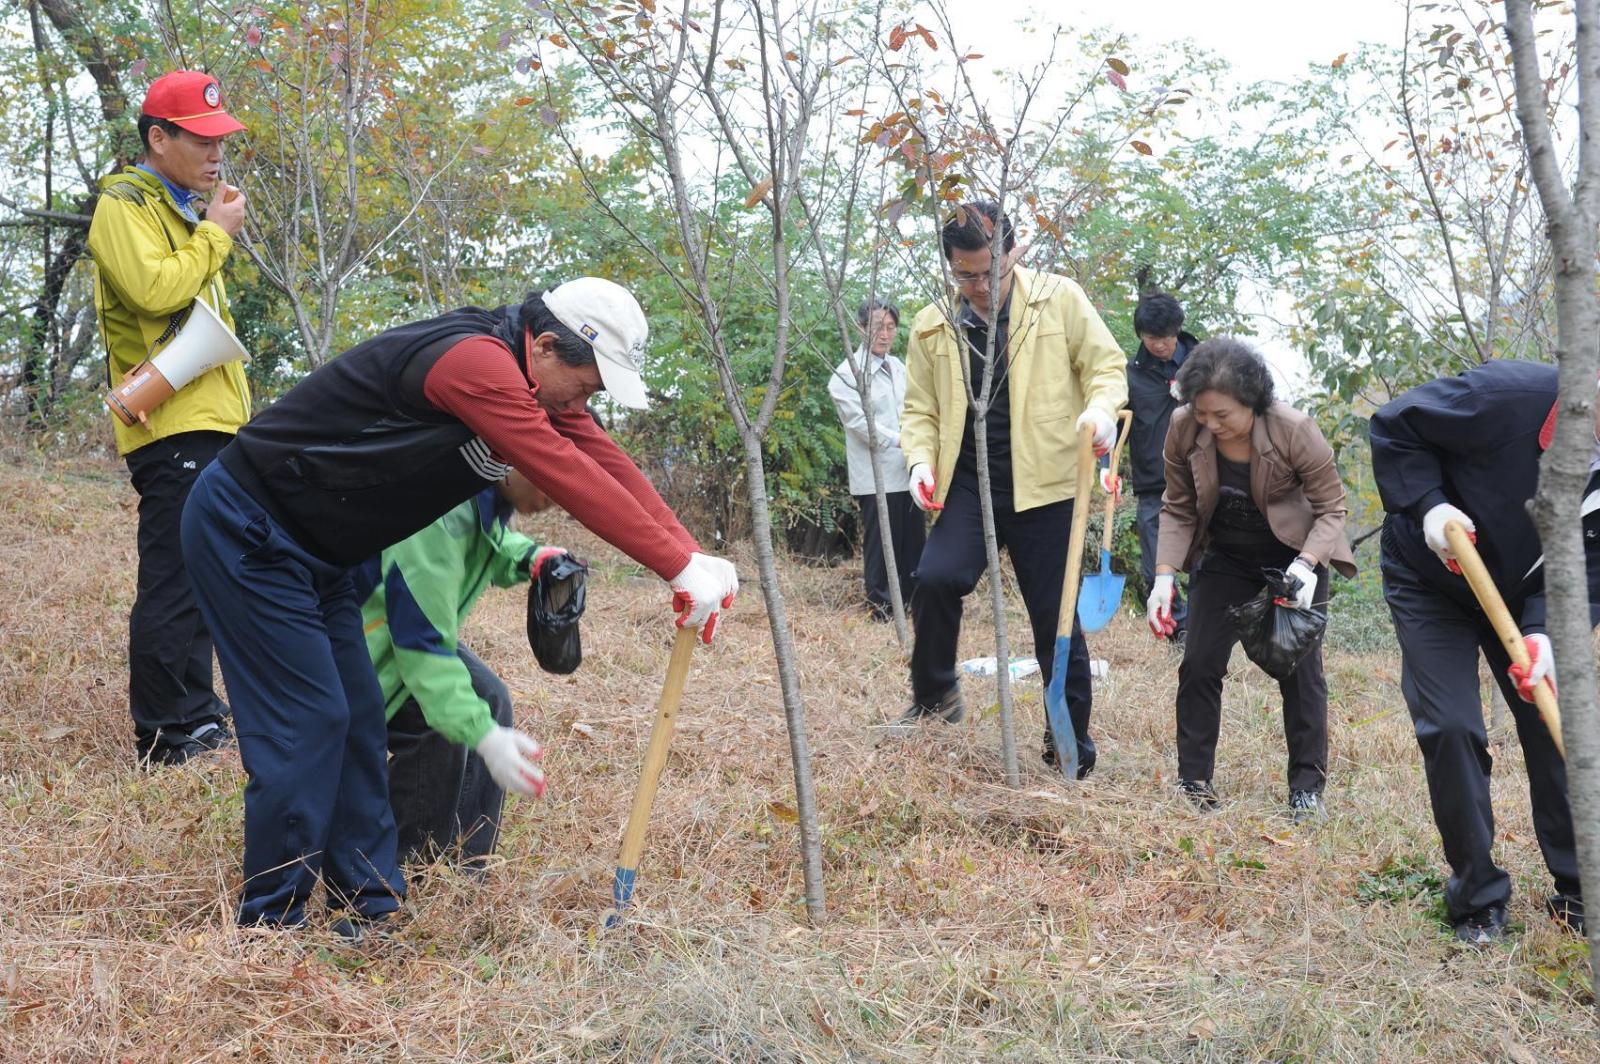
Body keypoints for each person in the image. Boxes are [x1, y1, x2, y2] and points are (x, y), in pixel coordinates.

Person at [179, 278, 739, 935]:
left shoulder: (534, 373)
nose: (583, 405)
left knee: (359, 717)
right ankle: (271, 924)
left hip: (324, 552)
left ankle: (368, 905)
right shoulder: (474, 364)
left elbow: (598, 455)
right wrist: (672, 564)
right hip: (249, 527)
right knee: (310, 723)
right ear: (545, 346)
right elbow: (560, 468)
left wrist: (688, 553)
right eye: (585, 388)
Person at [895, 201, 1127, 776]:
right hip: (969, 486)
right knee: (936, 578)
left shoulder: (1058, 298)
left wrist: (1100, 412)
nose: (978, 286)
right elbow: (919, 409)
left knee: (1056, 617)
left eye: (989, 272)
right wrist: (919, 462)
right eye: (965, 275)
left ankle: (1069, 747)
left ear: (1011, 254)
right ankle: (935, 698)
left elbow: (1105, 367)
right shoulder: (933, 324)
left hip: (1048, 486)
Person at [1370, 359, 1595, 944]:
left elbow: (1590, 568)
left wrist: (1544, 634)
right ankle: (1477, 899)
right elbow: (1395, 426)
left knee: (1554, 723)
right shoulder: (1508, 395)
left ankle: (1580, 891)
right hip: (1432, 576)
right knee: (1450, 726)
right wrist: (1430, 505)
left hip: (1526, 597)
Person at [87, 70, 250, 767]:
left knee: (202, 574)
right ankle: (165, 733)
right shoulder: (122, 205)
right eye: (202, 140)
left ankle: (197, 712)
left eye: (221, 140)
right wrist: (215, 235)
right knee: (173, 577)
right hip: (169, 424)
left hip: (208, 419)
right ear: (158, 138)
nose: (217, 153)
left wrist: (205, 227)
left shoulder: (181, 209)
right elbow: (155, 293)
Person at [1149, 337, 1355, 821]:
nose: (1211, 424)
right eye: (1202, 413)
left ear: (1252, 401)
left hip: (1294, 558)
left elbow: (1332, 509)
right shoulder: (1183, 428)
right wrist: (1163, 578)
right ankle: (1193, 781)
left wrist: (1306, 565)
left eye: (1222, 414)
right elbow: (1177, 506)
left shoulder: (1294, 429)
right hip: (1225, 554)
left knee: (1300, 673)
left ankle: (1306, 790)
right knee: (1199, 662)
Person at [359, 471, 565, 871]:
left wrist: (532, 557)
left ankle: (466, 865)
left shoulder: (482, 494)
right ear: (513, 457)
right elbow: (423, 649)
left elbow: (490, 543)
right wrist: (483, 735)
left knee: (490, 696)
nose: (555, 496)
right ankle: (407, 864)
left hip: (407, 629)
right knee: (435, 724)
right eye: (549, 475)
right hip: (366, 638)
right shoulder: (442, 511)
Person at [827, 298, 924, 621]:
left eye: (891, 327)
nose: (885, 334)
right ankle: (881, 609)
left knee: (913, 542)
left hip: (908, 469)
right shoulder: (846, 375)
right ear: (861, 328)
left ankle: (912, 604)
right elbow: (860, 424)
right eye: (878, 327)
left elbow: (915, 409)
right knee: (882, 546)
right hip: (876, 475)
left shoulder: (899, 367)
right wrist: (900, 440)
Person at [1126, 290, 1199, 645]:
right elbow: (1119, 423)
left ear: (1178, 330)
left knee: (1206, 561)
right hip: (1154, 482)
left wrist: (1194, 387)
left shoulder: (1204, 363)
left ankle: (1205, 631)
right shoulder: (1132, 374)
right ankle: (1181, 632)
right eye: (1151, 338)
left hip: (1203, 478)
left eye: (1165, 337)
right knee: (1154, 567)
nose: (1159, 345)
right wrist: (1106, 467)